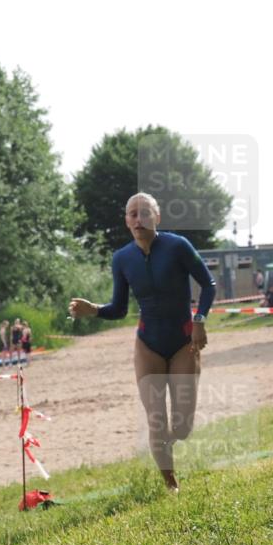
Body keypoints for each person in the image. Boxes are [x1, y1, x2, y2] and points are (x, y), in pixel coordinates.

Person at [69, 192, 216, 492]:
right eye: (132, 213)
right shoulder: (122, 258)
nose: (138, 218)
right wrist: (94, 310)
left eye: (144, 212)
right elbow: (119, 309)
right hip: (147, 345)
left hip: (183, 344)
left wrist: (199, 320)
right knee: (156, 420)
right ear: (126, 221)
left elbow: (208, 284)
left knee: (183, 427)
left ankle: (172, 443)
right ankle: (171, 485)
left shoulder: (178, 246)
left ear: (157, 217)